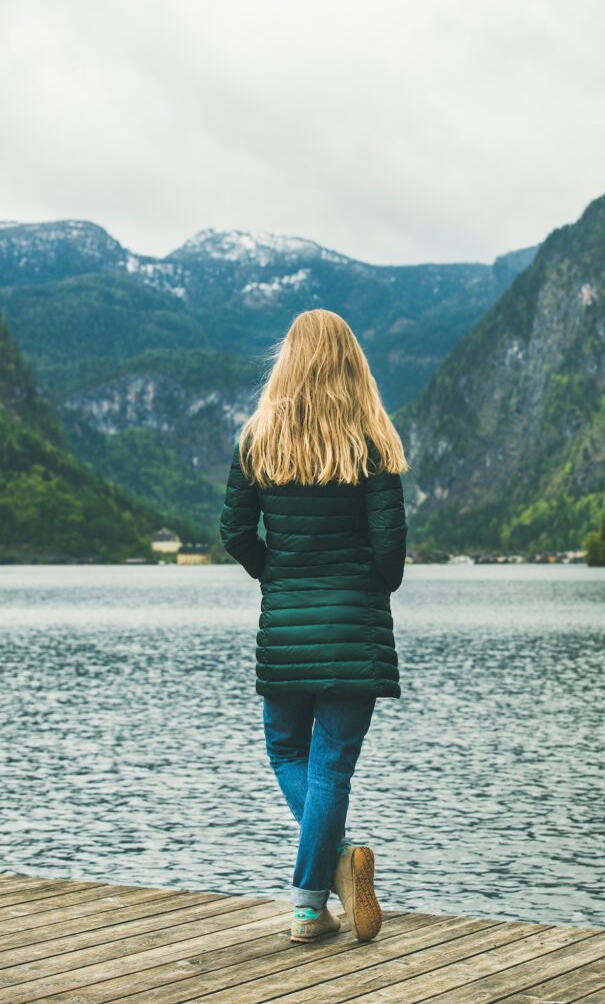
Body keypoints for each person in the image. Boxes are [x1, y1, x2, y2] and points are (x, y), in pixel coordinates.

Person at [219, 307, 408, 944]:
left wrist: (278, 575)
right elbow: (389, 554)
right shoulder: (374, 442)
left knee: (285, 750)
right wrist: (362, 587)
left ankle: (318, 895)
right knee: (331, 768)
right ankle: (315, 895)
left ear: (288, 360)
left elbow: (235, 534)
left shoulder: (257, 440)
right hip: (356, 627)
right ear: (351, 361)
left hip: (286, 628)